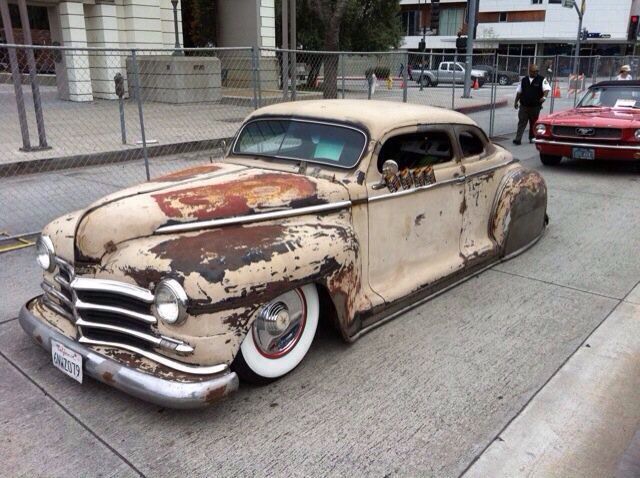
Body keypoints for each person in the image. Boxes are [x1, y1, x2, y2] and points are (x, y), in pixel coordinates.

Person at [513, 64, 551, 145]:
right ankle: (518, 139)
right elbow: (519, 92)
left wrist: (544, 97)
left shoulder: (542, 79)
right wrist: (516, 102)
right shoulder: (524, 80)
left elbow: (547, 89)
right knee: (521, 122)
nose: (536, 73)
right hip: (524, 106)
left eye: (537, 71)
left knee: (533, 123)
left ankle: (532, 137)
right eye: (534, 71)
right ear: (529, 71)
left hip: (535, 106)